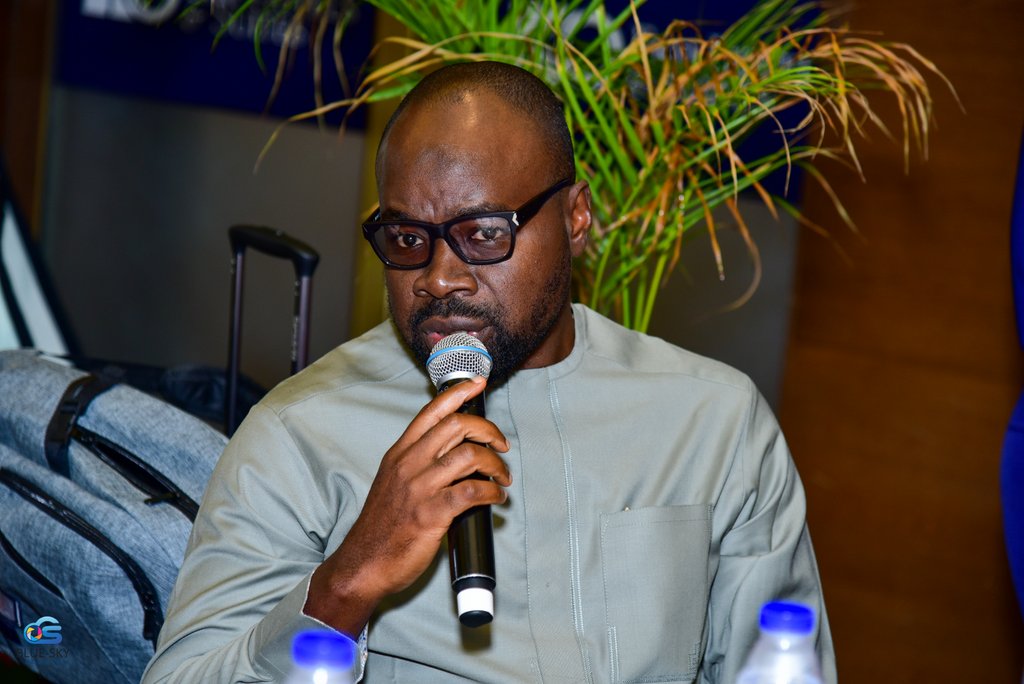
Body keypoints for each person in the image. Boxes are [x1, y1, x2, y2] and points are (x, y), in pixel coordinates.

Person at [143, 61, 836, 683]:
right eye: (407, 239)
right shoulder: (299, 433)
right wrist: (345, 585)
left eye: (483, 234)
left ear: (576, 218)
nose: (440, 278)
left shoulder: (712, 421)